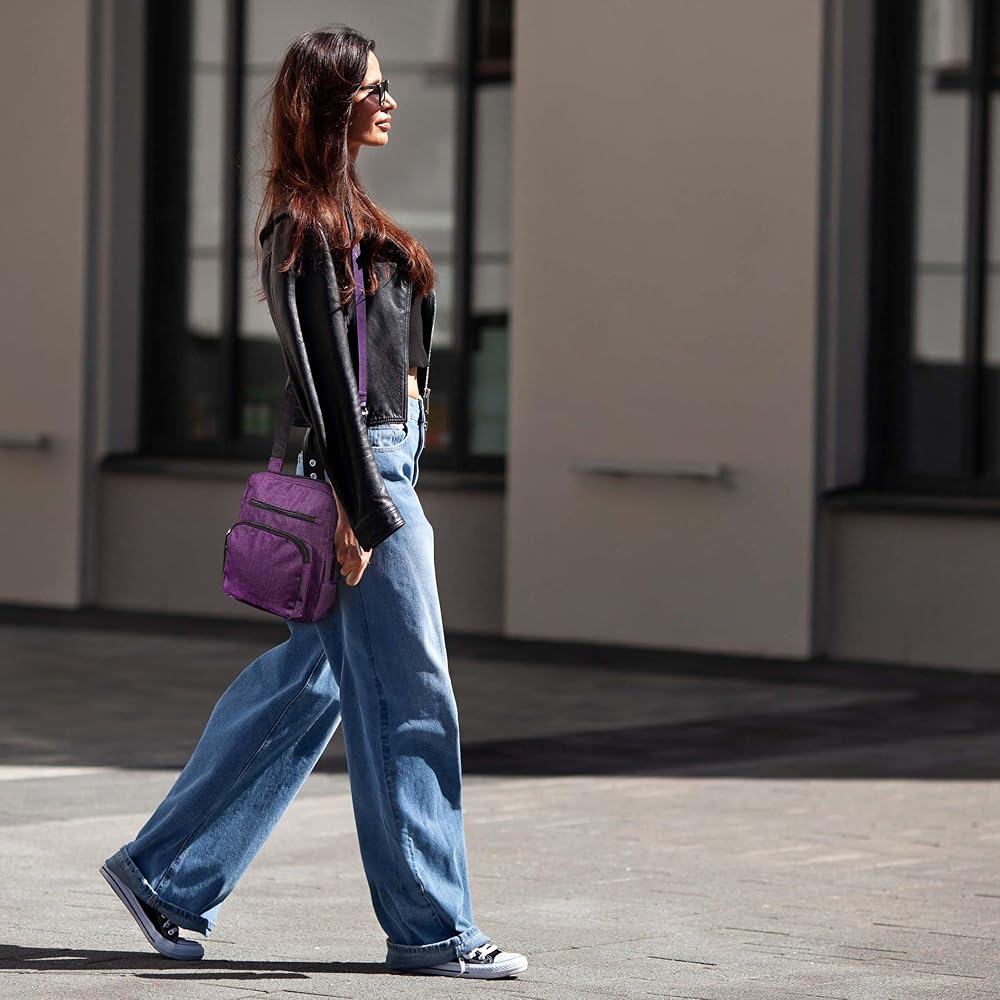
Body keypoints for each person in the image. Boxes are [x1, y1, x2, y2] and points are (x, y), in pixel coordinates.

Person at [99, 25, 528, 981]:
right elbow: (324, 381)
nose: (389, 100)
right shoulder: (301, 227)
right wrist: (360, 506)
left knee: (313, 686)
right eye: (371, 88)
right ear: (329, 103)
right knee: (413, 696)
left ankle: (164, 874)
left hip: (383, 461)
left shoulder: (347, 212)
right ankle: (431, 929)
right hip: (359, 473)